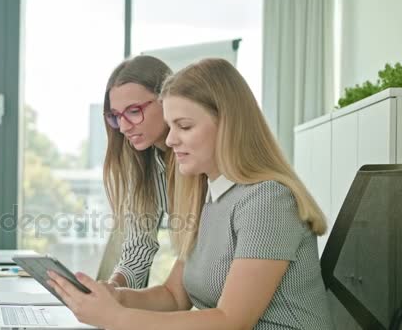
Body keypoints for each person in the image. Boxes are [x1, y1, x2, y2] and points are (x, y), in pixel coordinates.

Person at [48, 58, 335, 329]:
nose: (170, 140)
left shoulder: (267, 200)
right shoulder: (209, 197)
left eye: (184, 126)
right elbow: (174, 295)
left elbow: (231, 321)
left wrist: (118, 318)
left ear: (228, 123)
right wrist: (116, 298)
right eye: (171, 126)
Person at [100, 55, 173, 289]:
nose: (123, 127)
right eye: (116, 116)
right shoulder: (144, 163)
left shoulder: (201, 163)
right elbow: (139, 248)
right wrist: (112, 287)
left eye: (133, 111)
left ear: (167, 100)